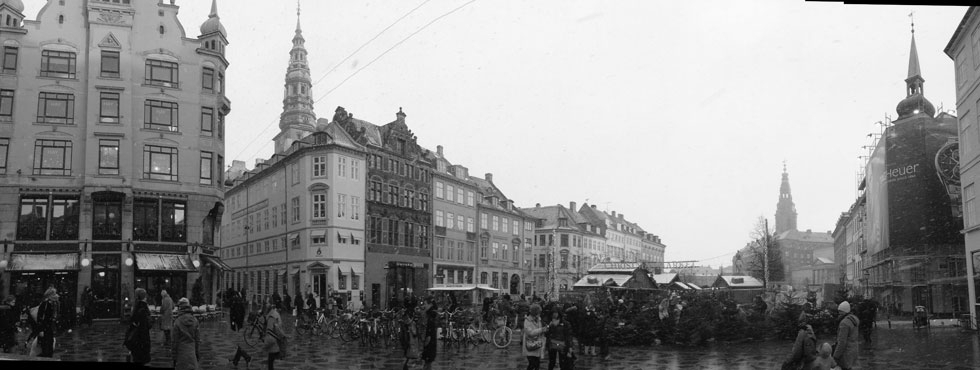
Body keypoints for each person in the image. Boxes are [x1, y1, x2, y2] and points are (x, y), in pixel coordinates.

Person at [172, 298, 201, 370]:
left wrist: (174, 357)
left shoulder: (177, 322)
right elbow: (197, 340)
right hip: (192, 354)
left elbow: (174, 342)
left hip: (181, 354)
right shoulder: (195, 320)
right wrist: (197, 354)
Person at [127, 288, 152, 364]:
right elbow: (145, 327)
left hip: (136, 341)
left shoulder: (136, 307)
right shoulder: (142, 309)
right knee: (141, 359)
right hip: (141, 341)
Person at [833, 301, 860, 370]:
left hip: (846, 353)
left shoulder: (844, 323)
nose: (839, 314)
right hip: (853, 350)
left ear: (844, 311)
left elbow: (842, 342)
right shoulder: (853, 320)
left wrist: (835, 356)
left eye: (840, 311)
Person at [523, 304, 548, 370]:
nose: (539, 314)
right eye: (538, 312)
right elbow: (530, 333)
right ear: (535, 312)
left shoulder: (539, 319)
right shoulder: (527, 320)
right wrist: (541, 329)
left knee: (537, 365)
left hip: (537, 345)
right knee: (532, 364)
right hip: (530, 345)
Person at [36, 287, 59, 358]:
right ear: (50, 295)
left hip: (50, 328)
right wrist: (41, 330)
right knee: (45, 346)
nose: (56, 295)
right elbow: (40, 317)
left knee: (50, 345)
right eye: (54, 293)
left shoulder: (54, 303)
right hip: (45, 328)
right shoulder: (45, 304)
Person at [262, 302, 285, 370]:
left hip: (274, 340)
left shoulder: (271, 317)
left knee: (270, 360)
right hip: (276, 339)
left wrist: (265, 346)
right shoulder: (274, 314)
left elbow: (270, 331)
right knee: (271, 360)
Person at [420, 297, 438, 370]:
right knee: (427, 364)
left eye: (425, 304)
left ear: (430, 304)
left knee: (427, 364)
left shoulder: (430, 316)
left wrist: (424, 344)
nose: (424, 306)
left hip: (430, 344)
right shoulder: (431, 314)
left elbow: (429, 334)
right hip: (431, 344)